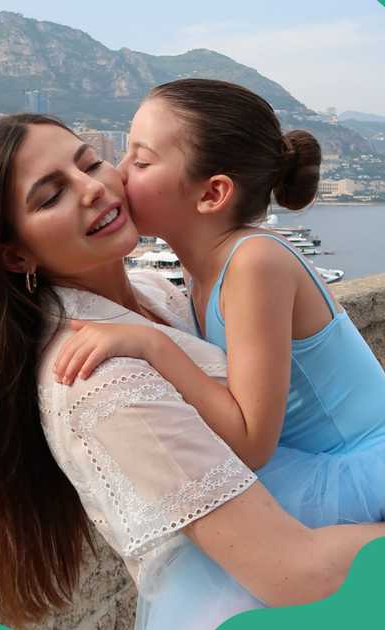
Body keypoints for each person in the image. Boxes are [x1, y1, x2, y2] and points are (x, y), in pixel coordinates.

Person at [0, 113, 385, 629]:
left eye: (90, 163)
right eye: (50, 196)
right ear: (16, 256)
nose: (92, 188)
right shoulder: (101, 380)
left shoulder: (158, 292)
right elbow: (288, 570)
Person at [56, 79, 385, 527]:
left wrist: (150, 343)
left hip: (357, 468)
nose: (119, 171)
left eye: (142, 159)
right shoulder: (201, 267)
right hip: (320, 462)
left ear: (212, 194)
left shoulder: (254, 262)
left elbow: (251, 441)